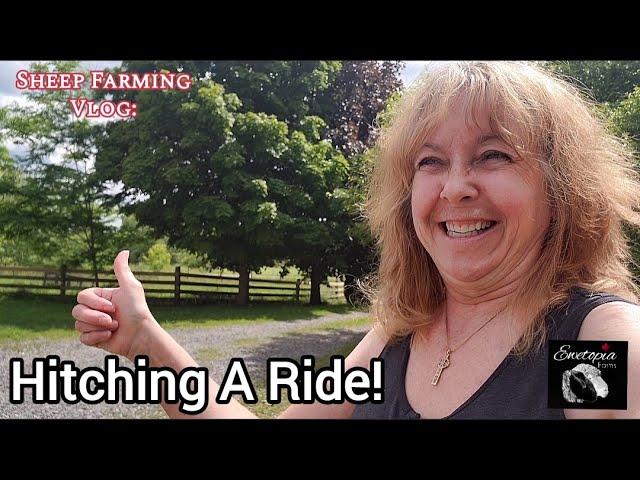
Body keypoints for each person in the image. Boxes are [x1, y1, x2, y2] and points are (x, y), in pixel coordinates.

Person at [71, 61, 640, 419]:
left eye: (494, 155)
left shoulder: (589, 340)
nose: (456, 187)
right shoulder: (397, 335)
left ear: (563, 189)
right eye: (430, 162)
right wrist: (147, 342)